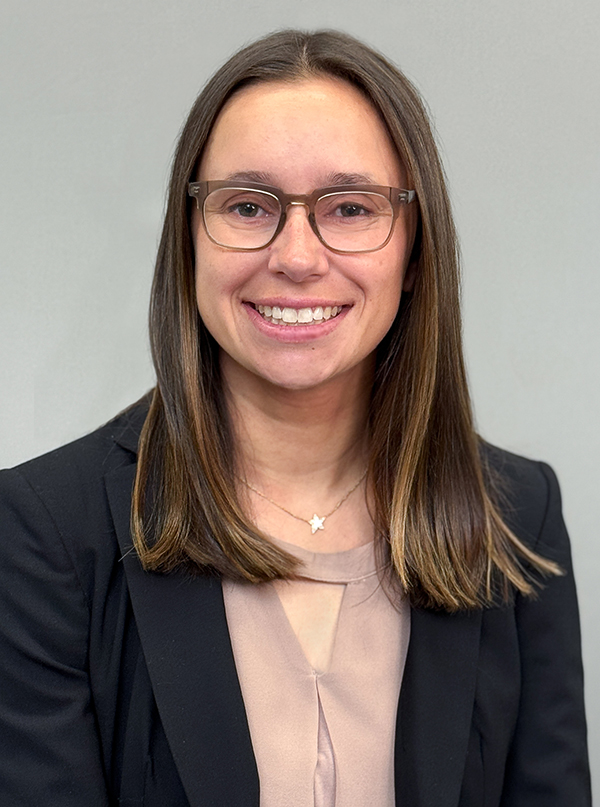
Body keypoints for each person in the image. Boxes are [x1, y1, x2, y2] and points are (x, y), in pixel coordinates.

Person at [0, 29, 591, 807]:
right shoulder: (45, 531)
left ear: (414, 253)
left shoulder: (516, 516)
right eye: (249, 206)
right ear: (189, 241)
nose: (299, 256)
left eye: (350, 208)